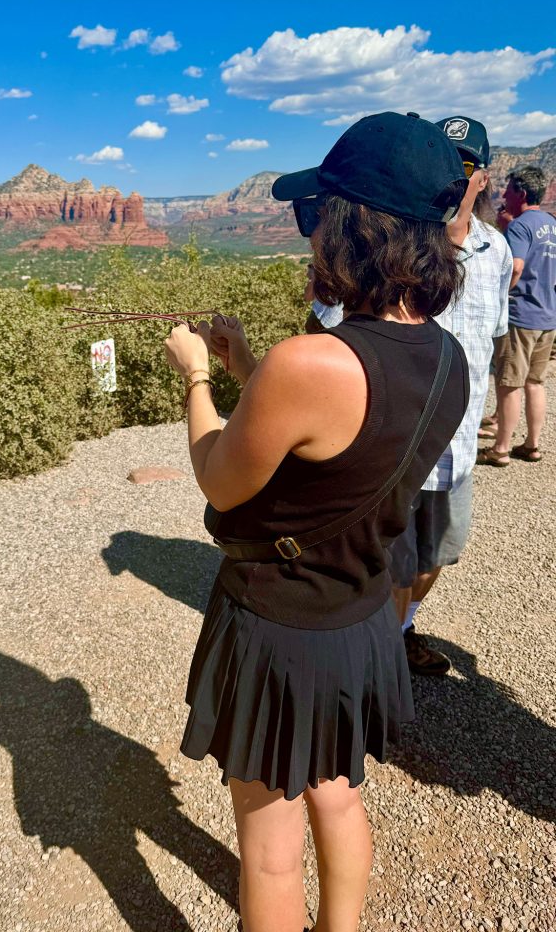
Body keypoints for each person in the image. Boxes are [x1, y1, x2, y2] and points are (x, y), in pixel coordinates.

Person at [163, 111, 469, 932]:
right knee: (338, 794)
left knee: (268, 847)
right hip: (362, 617)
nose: (308, 234)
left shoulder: (313, 362)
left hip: (281, 630)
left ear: (352, 227)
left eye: (315, 215)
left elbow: (222, 482)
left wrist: (198, 380)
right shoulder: (446, 357)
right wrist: (249, 369)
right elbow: (343, 441)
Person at [389, 117, 512, 675]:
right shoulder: (396, 246)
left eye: (464, 167)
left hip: (458, 447)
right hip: (392, 446)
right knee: (388, 560)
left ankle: (401, 629)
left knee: (442, 552)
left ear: (482, 178)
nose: (454, 180)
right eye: (443, 165)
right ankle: (379, 661)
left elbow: (491, 343)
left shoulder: (498, 251)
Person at [478, 165, 556, 465]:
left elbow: (518, 266)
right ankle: (532, 445)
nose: (504, 193)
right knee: (535, 383)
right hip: (548, 316)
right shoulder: (550, 223)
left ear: (521, 193)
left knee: (509, 383)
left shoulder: (521, 226)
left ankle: (500, 450)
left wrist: (500, 297)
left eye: (508, 189)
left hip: (521, 315)